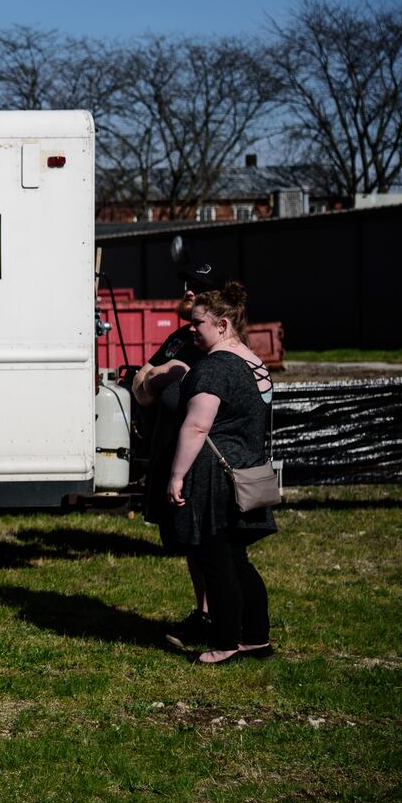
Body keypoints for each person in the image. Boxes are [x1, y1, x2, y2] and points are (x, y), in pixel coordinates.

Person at [165, 282, 276, 665]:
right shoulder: (254, 363)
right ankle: (256, 638)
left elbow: (197, 427)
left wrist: (177, 475)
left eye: (198, 323)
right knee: (237, 558)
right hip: (246, 472)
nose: (191, 329)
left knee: (216, 561)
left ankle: (227, 642)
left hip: (214, 477)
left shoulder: (213, 368)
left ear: (223, 324)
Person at [131, 262, 218, 650]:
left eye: (196, 288)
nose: (186, 291)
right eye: (185, 284)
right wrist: (157, 376)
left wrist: (158, 377)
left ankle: (217, 617)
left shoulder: (218, 349)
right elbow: (139, 384)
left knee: (207, 543)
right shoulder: (181, 339)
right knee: (188, 542)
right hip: (172, 456)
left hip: (202, 462)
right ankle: (204, 613)